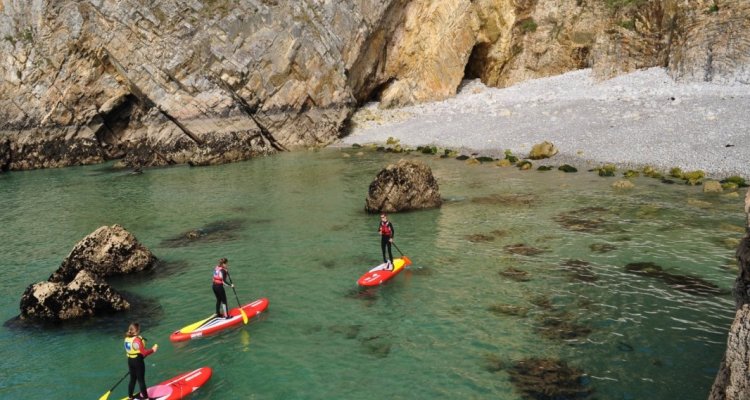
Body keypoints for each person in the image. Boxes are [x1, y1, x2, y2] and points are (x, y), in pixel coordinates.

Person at [124, 322, 158, 400]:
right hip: (137, 361)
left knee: (132, 379)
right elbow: (144, 352)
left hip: (130, 361)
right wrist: (153, 350)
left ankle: (130, 397)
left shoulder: (126, 338)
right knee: (141, 380)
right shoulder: (137, 340)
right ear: (137, 330)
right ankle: (146, 398)